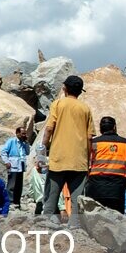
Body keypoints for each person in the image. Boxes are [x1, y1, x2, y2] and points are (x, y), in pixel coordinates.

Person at [41, 75, 94, 223]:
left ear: (64, 88)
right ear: (79, 91)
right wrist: (89, 161)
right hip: (79, 162)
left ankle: (46, 226)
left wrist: (42, 151)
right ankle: (75, 230)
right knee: (77, 201)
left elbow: (49, 129)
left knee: (51, 199)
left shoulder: (57, 104)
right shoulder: (86, 109)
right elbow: (90, 137)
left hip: (58, 159)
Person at [84, 116, 126, 213]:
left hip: (95, 186)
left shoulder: (93, 143)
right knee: (116, 218)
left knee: (94, 218)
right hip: (117, 187)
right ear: (114, 127)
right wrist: (123, 176)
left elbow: (86, 163)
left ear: (100, 128)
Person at [0, 126, 31, 209]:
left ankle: (17, 201)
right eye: (22, 133)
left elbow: (27, 152)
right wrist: (6, 161)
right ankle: (10, 201)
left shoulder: (23, 143)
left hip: (21, 164)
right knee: (11, 184)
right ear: (17, 133)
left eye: (25, 133)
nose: (24, 135)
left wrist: (26, 143)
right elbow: (3, 152)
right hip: (13, 164)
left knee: (19, 185)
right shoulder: (11, 141)